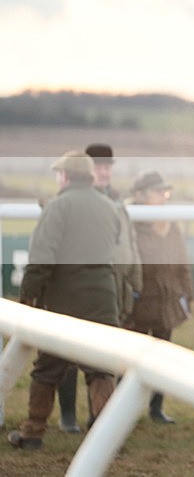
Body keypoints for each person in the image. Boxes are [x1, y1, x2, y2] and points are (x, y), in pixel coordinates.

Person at [8, 151, 120, 449]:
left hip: (64, 302)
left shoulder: (57, 206)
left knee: (47, 368)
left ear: (66, 176)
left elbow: (41, 258)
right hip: (104, 299)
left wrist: (28, 298)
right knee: (101, 369)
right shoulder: (109, 207)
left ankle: (32, 432)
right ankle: (108, 439)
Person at [54, 143, 142, 434]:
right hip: (82, 286)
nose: (104, 172)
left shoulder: (118, 201)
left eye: (108, 167)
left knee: (108, 358)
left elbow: (128, 244)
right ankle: (68, 415)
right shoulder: (69, 200)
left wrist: (135, 282)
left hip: (116, 289)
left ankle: (101, 419)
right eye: (99, 167)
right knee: (68, 354)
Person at [129, 170, 193, 424]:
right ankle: (128, 410)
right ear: (141, 195)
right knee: (132, 361)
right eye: (158, 192)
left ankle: (156, 408)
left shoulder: (170, 224)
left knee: (161, 359)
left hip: (166, 303)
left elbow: (181, 263)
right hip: (138, 303)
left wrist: (187, 294)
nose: (163, 197)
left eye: (164, 193)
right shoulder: (130, 222)